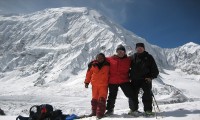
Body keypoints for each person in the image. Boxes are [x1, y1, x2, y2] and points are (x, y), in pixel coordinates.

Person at [129, 43, 159, 116]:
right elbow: (125, 67)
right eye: (138, 48)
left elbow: (155, 69)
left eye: (141, 48)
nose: (139, 49)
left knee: (147, 94)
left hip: (146, 79)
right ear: (136, 49)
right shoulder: (132, 57)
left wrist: (151, 77)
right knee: (133, 95)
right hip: (134, 79)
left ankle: (148, 110)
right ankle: (133, 110)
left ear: (144, 48)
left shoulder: (149, 57)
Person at [105, 44, 134, 116]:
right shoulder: (110, 59)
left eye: (122, 51)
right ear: (116, 52)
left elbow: (138, 61)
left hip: (124, 80)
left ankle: (133, 109)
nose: (120, 53)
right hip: (113, 81)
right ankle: (110, 110)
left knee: (130, 94)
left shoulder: (128, 59)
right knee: (112, 96)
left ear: (124, 52)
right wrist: (93, 62)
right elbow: (100, 59)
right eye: (119, 51)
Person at [84, 53, 110, 119]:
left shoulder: (108, 65)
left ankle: (100, 113)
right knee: (94, 99)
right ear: (96, 58)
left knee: (102, 99)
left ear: (104, 58)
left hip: (104, 85)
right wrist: (87, 82)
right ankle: (94, 112)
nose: (100, 59)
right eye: (98, 58)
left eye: (101, 58)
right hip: (94, 85)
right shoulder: (92, 65)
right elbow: (88, 74)